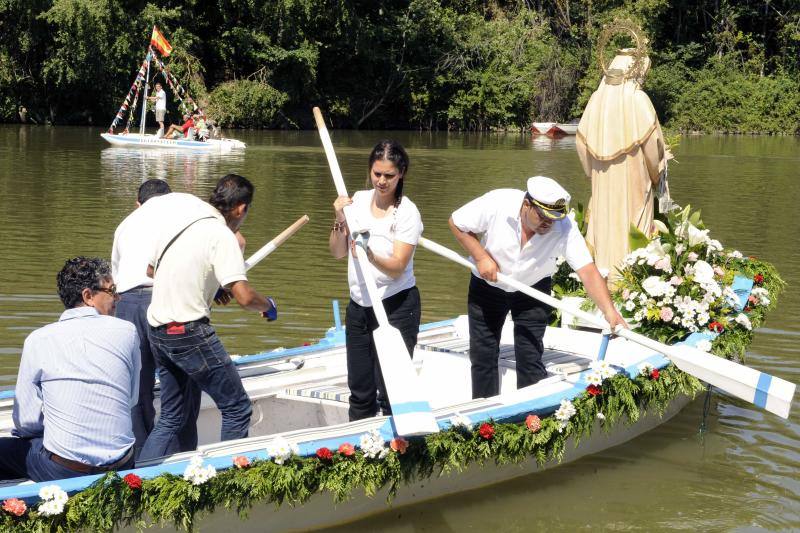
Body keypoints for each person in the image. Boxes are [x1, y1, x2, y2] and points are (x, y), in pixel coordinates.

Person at [138, 174, 277, 461]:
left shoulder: (183, 221)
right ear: (240, 208)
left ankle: (139, 479)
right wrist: (269, 305)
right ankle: (228, 481)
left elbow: (153, 271)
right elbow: (245, 297)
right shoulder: (221, 234)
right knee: (237, 407)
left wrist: (209, 289)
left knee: (171, 418)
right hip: (188, 332)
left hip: (159, 330)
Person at [449, 176, 627, 399]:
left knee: (530, 355)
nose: (548, 224)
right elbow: (457, 223)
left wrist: (610, 311)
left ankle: (529, 412)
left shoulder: (564, 228)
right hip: (487, 286)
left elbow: (587, 271)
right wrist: (481, 256)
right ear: (526, 205)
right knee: (483, 353)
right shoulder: (497, 202)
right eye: (543, 217)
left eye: (553, 219)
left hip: (532, 289)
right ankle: (485, 411)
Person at [0, 258, 139, 481]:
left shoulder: (38, 339)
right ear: (88, 296)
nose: (117, 298)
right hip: (122, 463)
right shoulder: (127, 331)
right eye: (112, 291)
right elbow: (131, 399)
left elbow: (26, 422)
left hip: (64, 471)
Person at [329, 140, 423, 421]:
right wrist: (339, 218)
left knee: (391, 388)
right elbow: (336, 252)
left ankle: (397, 446)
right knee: (359, 388)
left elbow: (396, 267)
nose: (382, 181)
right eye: (377, 174)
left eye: (389, 176)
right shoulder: (355, 201)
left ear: (401, 174)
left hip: (396, 305)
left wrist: (368, 254)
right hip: (359, 305)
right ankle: (358, 450)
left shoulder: (407, 212)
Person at [576, 47, 673, 279]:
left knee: (605, 227)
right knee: (631, 228)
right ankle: (629, 284)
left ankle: (604, 280)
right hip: (634, 181)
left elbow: (581, 144)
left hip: (603, 182)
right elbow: (653, 151)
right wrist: (657, 174)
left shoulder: (595, 99)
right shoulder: (638, 99)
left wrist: (593, 172)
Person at [112, 178, 173, 459]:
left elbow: (115, 272)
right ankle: (173, 449)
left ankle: (140, 451)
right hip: (161, 297)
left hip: (125, 302)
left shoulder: (124, 225)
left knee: (137, 382)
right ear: (169, 199)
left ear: (138, 203)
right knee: (176, 379)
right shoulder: (176, 217)